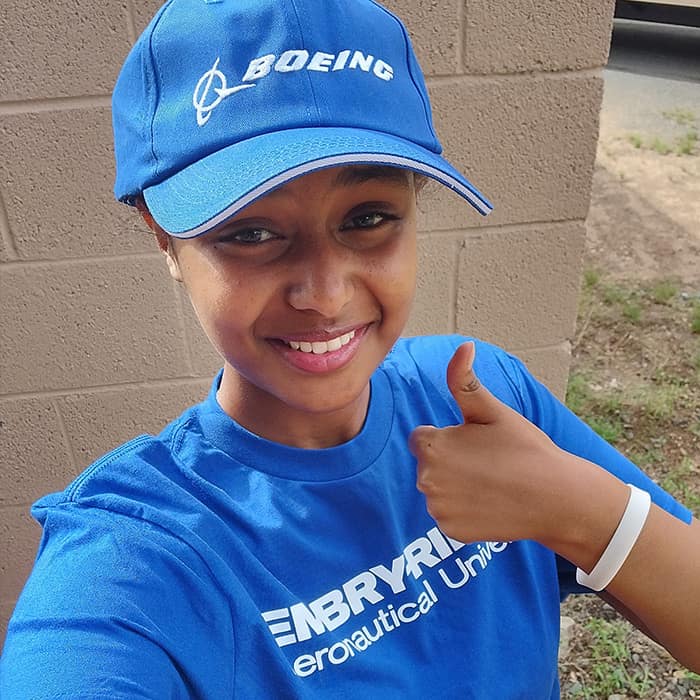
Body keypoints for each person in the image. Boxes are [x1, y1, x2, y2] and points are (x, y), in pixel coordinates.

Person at [1, 0, 698, 697]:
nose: (326, 295)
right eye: (250, 233)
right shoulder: (135, 565)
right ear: (165, 239)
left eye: (368, 219)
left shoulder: (480, 396)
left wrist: (581, 511)